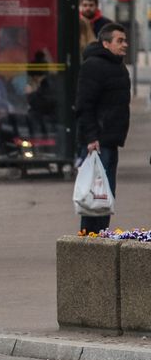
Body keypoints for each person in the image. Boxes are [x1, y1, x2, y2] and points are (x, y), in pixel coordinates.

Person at [75, 23, 130, 234]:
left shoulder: (117, 65)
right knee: (94, 197)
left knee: (105, 196)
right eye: (120, 41)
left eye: (125, 40)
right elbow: (84, 104)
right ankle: (89, 239)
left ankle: (99, 238)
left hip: (110, 140)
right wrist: (90, 137)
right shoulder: (94, 66)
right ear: (105, 43)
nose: (124, 45)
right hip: (96, 142)